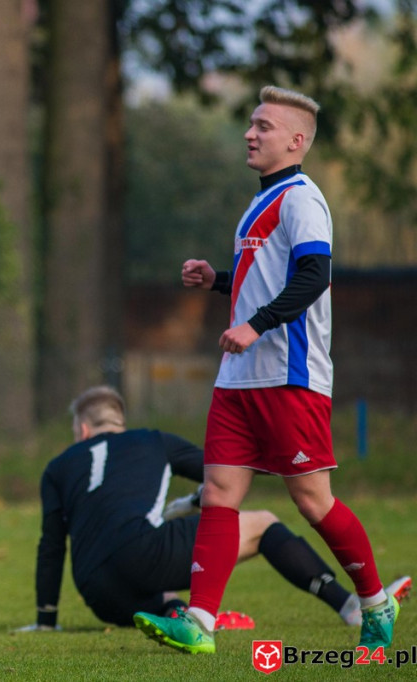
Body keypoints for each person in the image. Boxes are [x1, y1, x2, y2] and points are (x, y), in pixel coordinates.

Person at [134, 86, 403, 655]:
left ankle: (376, 602)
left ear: (296, 141)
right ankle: (200, 621)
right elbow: (267, 280)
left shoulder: (304, 199)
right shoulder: (261, 201)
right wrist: (218, 281)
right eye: (251, 124)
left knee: (312, 502)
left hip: (290, 375)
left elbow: (311, 279)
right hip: (238, 379)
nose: (250, 133)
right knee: (218, 493)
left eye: (263, 126)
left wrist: (254, 326)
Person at [17, 385, 410, 633]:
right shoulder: (152, 440)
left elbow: (50, 546)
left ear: (82, 430)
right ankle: (348, 606)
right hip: (144, 554)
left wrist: (46, 619)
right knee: (263, 524)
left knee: (151, 573)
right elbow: (221, 476)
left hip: (97, 591)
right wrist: (194, 499)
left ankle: (176, 612)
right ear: (118, 422)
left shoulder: (59, 465)